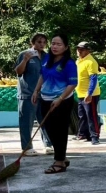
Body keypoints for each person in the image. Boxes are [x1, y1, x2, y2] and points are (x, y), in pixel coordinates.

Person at [31, 35, 78, 174]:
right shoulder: (47, 59)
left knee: (60, 131)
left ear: (66, 47)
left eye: (59, 44)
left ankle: (59, 162)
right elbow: (42, 75)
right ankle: (62, 156)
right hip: (45, 99)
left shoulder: (69, 63)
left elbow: (72, 84)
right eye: (53, 43)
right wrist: (36, 91)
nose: (55, 46)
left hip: (62, 101)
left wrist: (60, 99)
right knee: (49, 130)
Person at [15, 33, 53, 155]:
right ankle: (27, 148)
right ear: (33, 43)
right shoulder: (25, 54)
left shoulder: (47, 57)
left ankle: (48, 145)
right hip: (28, 94)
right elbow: (18, 72)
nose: (42, 45)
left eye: (44, 42)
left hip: (44, 94)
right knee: (26, 122)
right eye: (39, 42)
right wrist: (25, 60)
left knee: (46, 120)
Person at [74, 41, 101, 145]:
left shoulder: (91, 62)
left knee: (91, 116)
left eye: (82, 49)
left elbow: (93, 79)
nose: (79, 51)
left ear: (88, 51)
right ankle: (83, 134)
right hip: (80, 94)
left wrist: (89, 94)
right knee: (82, 115)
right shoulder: (78, 61)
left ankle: (95, 137)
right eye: (78, 49)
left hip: (90, 95)